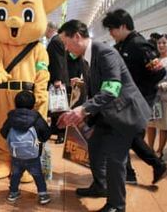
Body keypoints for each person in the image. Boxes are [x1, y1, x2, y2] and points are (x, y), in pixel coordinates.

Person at [57, 20, 151, 212]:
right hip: (108, 113)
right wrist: (83, 113)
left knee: (116, 159)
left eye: (66, 42)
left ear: (77, 36)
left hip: (125, 113)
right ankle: (100, 186)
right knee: (95, 146)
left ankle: (117, 205)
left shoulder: (105, 52)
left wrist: (83, 110)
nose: (66, 49)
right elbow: (95, 90)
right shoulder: (86, 57)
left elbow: (111, 89)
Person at [102, 9, 167, 185]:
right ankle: (130, 173)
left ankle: (157, 165)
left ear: (123, 26)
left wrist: (139, 90)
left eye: (112, 29)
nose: (110, 33)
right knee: (126, 134)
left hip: (140, 99)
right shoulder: (122, 44)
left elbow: (159, 72)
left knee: (130, 135)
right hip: (127, 99)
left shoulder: (140, 45)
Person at [0, 91, 51, 205]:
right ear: (33, 104)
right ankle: (43, 195)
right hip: (33, 155)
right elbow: (46, 132)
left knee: (16, 174)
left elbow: (3, 132)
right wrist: (41, 140)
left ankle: (13, 193)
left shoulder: (11, 117)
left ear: (16, 104)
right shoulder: (36, 118)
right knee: (38, 175)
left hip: (16, 153)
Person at [147, 34, 167, 158]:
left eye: (164, 43)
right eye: (159, 43)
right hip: (153, 97)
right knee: (151, 125)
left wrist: (163, 86)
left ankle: (160, 151)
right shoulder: (154, 60)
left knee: (164, 125)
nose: (161, 45)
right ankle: (150, 149)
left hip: (166, 98)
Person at [46, 21, 69, 144]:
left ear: (50, 29)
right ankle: (54, 129)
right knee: (55, 106)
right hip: (56, 78)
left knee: (59, 107)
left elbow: (58, 62)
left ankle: (61, 133)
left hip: (57, 79)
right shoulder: (55, 41)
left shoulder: (55, 41)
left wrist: (57, 79)